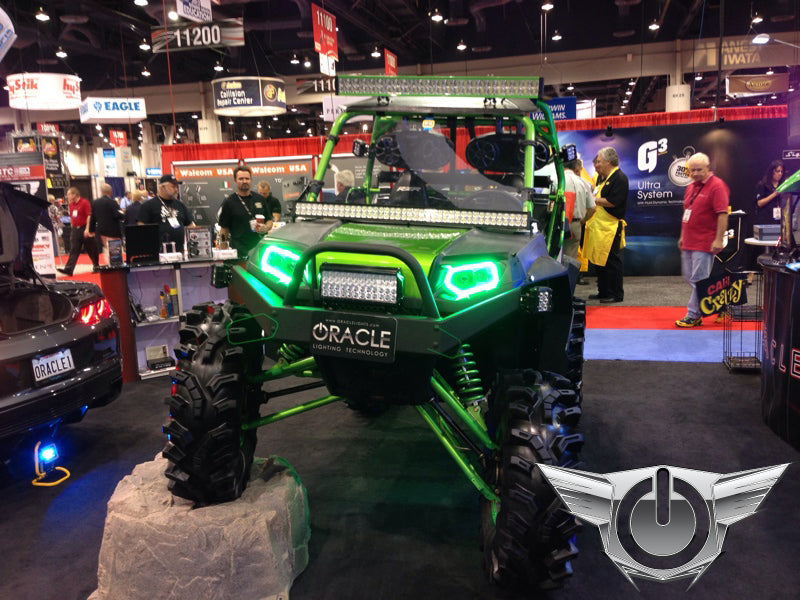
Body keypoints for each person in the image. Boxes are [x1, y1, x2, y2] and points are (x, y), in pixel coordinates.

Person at [675, 152, 730, 328]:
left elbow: (722, 214)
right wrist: (683, 236)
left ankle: (693, 315)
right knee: (689, 278)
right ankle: (720, 302)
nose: (695, 173)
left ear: (707, 168)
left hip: (705, 242)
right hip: (689, 241)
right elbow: (687, 213)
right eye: (692, 170)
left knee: (699, 279)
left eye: (699, 170)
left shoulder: (717, 186)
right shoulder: (691, 186)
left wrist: (718, 239)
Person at [583, 147, 628, 303]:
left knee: (612, 261)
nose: (597, 164)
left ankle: (615, 294)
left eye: (599, 161)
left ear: (608, 161)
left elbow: (613, 202)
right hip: (599, 227)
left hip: (611, 227)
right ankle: (603, 291)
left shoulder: (619, 178)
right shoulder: (602, 178)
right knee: (599, 260)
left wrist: (592, 199)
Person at [218, 165, 272, 257]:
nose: (244, 181)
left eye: (247, 178)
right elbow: (224, 229)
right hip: (239, 252)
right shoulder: (229, 202)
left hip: (261, 251)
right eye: (241, 179)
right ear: (235, 180)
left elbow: (269, 221)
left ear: (251, 180)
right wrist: (223, 250)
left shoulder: (260, 199)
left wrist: (266, 228)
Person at [137, 174, 194, 251]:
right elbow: (140, 229)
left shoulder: (180, 205)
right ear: (163, 187)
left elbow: (191, 225)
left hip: (179, 251)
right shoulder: (148, 206)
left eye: (177, 187)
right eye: (173, 187)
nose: (176, 189)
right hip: (158, 252)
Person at [57, 187, 99, 275]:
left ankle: (96, 266)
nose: (67, 196)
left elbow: (89, 216)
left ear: (74, 195)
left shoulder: (84, 202)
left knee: (91, 248)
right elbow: (72, 216)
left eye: (69, 194)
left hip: (85, 228)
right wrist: (72, 227)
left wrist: (88, 229)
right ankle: (69, 269)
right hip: (76, 229)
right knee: (74, 249)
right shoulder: (71, 205)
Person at [562, 158, 596, 263]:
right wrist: (583, 221)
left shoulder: (555, 180)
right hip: (576, 225)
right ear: (576, 168)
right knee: (570, 260)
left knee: (553, 257)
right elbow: (593, 208)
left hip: (558, 224)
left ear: (562, 166)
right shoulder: (584, 183)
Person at [90, 182, 124, 263]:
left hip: (101, 230)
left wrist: (91, 230)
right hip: (113, 230)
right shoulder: (112, 202)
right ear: (110, 191)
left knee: (106, 247)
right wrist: (123, 215)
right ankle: (115, 263)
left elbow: (93, 217)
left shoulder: (95, 202)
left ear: (101, 191)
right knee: (114, 249)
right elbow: (117, 215)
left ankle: (108, 262)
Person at [754, 160, 785, 226]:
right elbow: (759, 203)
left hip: (779, 220)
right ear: (772, 171)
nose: (780, 174)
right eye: (777, 171)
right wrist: (774, 194)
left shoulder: (783, 185)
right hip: (765, 220)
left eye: (781, 171)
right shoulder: (763, 184)